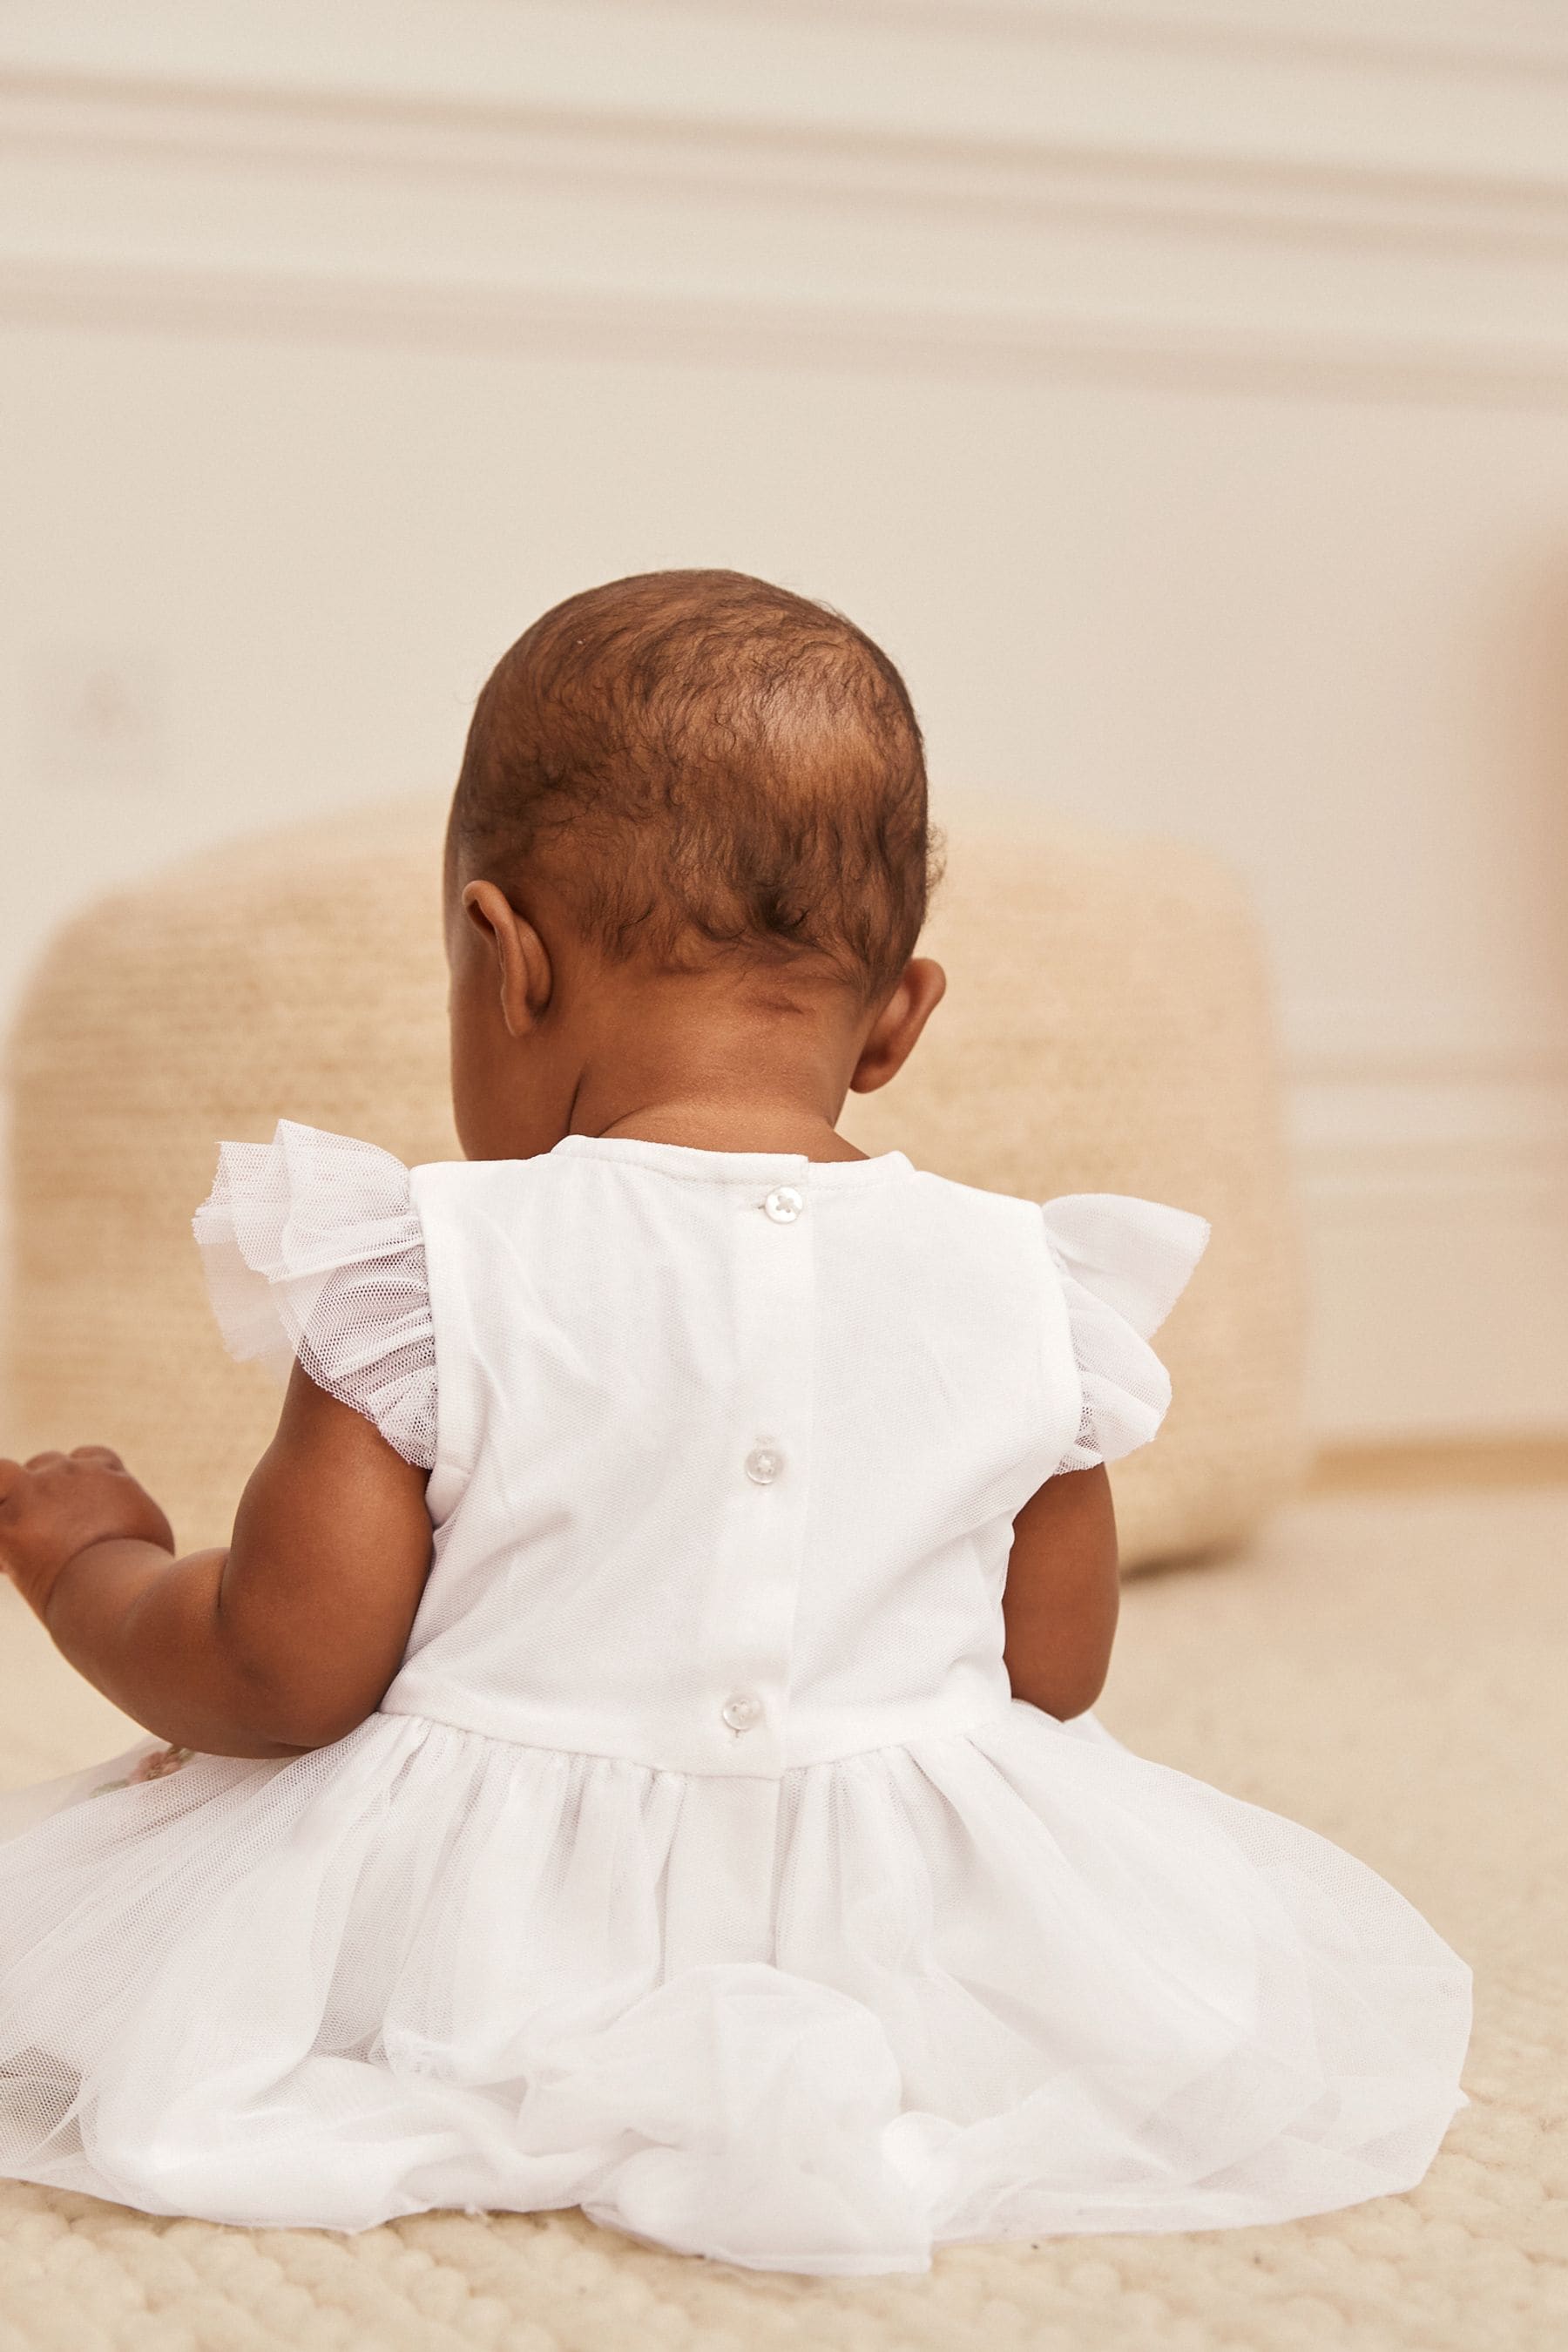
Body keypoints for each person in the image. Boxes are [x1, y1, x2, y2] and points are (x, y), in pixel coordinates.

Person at [0, 571, 1470, 2275]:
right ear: (901, 1016)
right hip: (896, 1954)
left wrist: (93, 1563)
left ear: (505, 960)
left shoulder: (430, 1268)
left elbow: (276, 1670)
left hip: (479, 1965)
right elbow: (1051, 1674)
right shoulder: (1024, 1283)